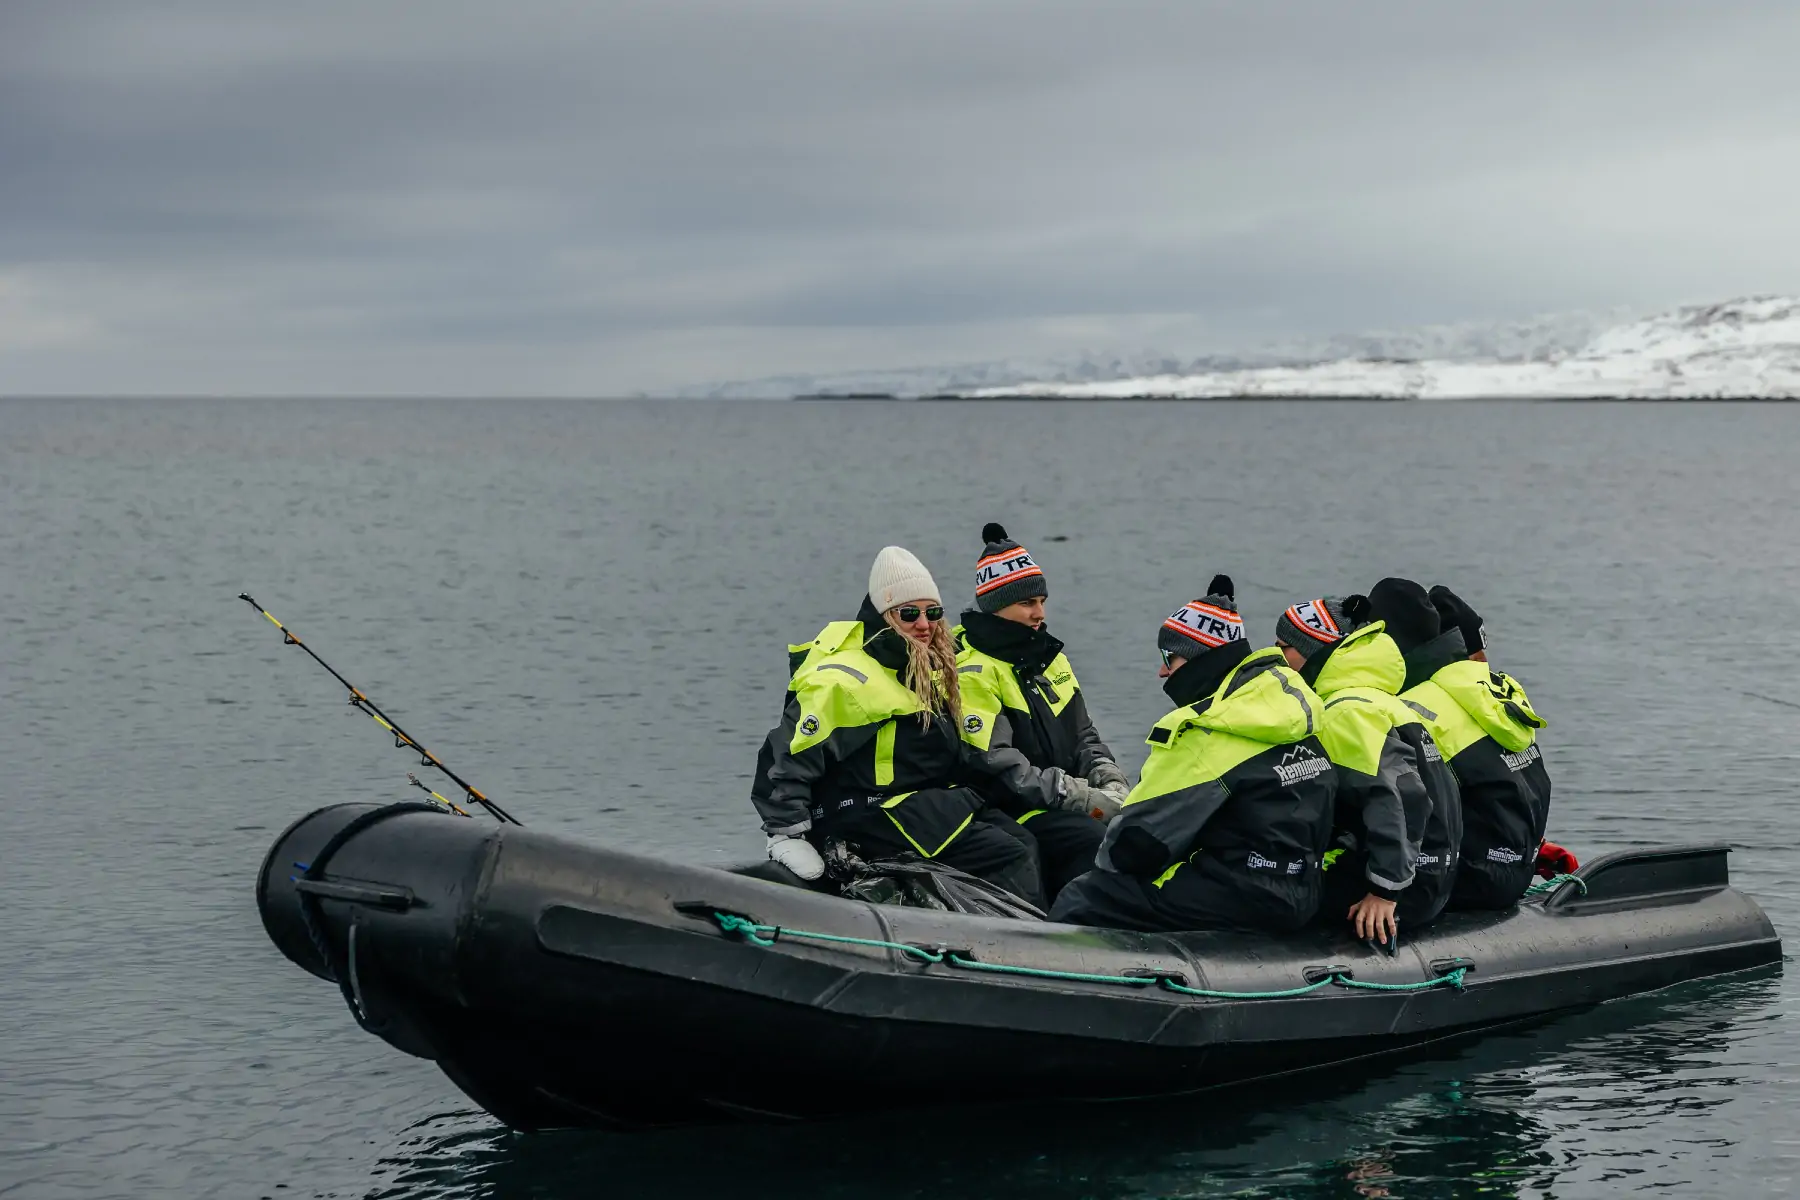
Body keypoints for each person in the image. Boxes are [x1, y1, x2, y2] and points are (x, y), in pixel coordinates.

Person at [753, 546, 1043, 906]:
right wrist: (787, 833)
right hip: (868, 813)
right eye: (909, 614)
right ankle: (1012, 945)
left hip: (916, 803)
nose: (924, 624)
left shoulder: (923, 666)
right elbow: (788, 755)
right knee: (1006, 853)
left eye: (932, 612)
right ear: (885, 615)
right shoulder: (846, 679)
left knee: (1026, 839)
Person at [1049, 576, 1337, 933]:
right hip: (1304, 890)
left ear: (1202, 660)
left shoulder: (1207, 730)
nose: (1162, 671)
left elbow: (1134, 847)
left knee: (1087, 895)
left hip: (1244, 894)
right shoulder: (1296, 709)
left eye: (1170, 657)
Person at [1367, 578, 1567, 909]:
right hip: (1515, 866)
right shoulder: (1498, 692)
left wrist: (1383, 889)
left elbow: (1413, 808)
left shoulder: (1413, 706)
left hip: (1467, 877)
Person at [1274, 595, 1461, 945]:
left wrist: (1384, 890)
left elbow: (1403, 796)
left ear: (1314, 651)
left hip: (1403, 888)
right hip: (1433, 877)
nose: (1276, 660)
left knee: (1270, 889)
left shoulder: (1347, 710)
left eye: (1283, 648)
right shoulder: (1378, 699)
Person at [953, 523, 1126, 901]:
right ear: (997, 607)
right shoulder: (974, 671)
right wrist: (1078, 796)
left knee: (1128, 830)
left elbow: (1084, 735)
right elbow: (997, 766)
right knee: (1088, 837)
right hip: (1010, 808)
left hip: (1059, 798)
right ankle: (1071, 929)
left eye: (1042, 601)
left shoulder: (1051, 659)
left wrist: (1110, 780)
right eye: (1028, 604)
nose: (1039, 614)